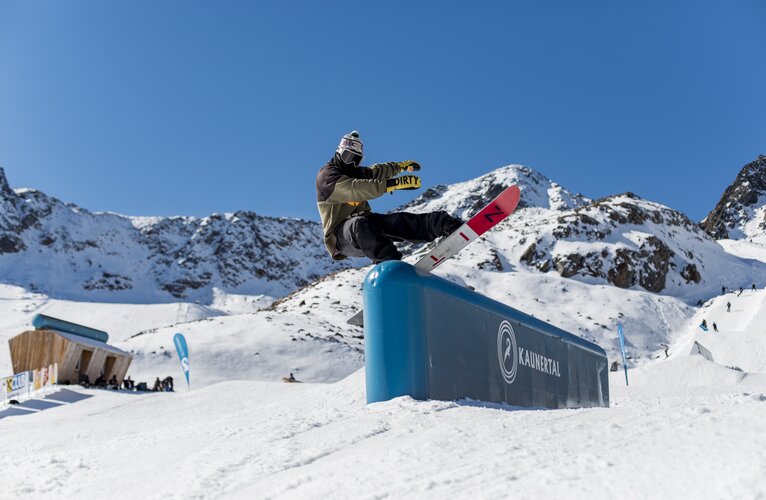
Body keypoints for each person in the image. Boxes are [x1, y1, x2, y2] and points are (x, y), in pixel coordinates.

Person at [316, 131, 463, 264]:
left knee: (399, 221)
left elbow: (377, 171)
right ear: (339, 153)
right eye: (348, 157)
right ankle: (389, 263)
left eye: (357, 159)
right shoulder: (327, 177)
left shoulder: (354, 172)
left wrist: (401, 166)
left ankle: (443, 224)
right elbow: (356, 188)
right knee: (360, 225)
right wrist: (393, 184)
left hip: (367, 225)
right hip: (342, 237)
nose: (352, 163)